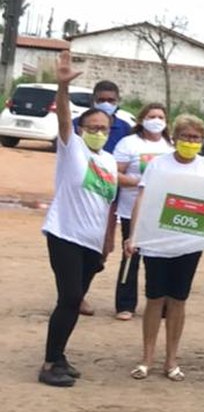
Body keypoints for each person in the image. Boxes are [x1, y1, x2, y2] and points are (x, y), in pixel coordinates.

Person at [123, 114, 204, 382]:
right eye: (187, 136)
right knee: (154, 299)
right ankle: (147, 358)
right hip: (156, 243)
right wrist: (134, 235)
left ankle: (171, 360)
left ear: (203, 140)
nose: (191, 141)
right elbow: (143, 197)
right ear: (175, 138)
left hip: (188, 243)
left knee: (178, 299)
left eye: (197, 138)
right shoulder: (157, 165)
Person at [37, 51, 119, 387]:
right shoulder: (73, 149)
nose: (98, 131)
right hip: (65, 234)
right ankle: (48, 364)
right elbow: (62, 120)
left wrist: (107, 241)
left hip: (91, 240)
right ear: (81, 129)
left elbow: (109, 202)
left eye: (103, 128)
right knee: (69, 298)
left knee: (73, 301)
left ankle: (60, 355)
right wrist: (62, 87)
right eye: (92, 127)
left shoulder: (111, 162)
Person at [74, 78, 132, 317]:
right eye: (102, 100)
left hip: (112, 196)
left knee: (103, 250)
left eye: (111, 100)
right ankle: (76, 296)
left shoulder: (125, 129)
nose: (107, 104)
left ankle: (79, 290)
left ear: (118, 103)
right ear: (93, 100)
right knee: (80, 247)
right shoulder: (79, 125)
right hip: (85, 195)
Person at [112, 102, 174, 320]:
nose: (156, 120)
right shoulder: (129, 144)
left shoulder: (171, 145)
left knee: (159, 258)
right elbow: (115, 174)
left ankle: (160, 303)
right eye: (152, 116)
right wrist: (137, 181)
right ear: (142, 120)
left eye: (161, 116)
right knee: (131, 255)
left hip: (162, 212)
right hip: (132, 210)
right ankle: (125, 304)